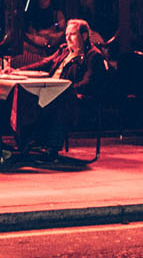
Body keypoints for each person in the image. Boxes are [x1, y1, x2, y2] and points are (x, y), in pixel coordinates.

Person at [18, 18, 107, 159]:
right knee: (24, 95)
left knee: (58, 103)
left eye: (72, 34)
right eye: (66, 35)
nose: (68, 38)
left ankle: (51, 147)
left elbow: (89, 83)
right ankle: (27, 143)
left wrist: (65, 89)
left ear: (83, 36)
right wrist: (17, 70)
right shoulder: (64, 50)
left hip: (74, 98)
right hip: (51, 91)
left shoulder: (93, 56)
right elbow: (44, 64)